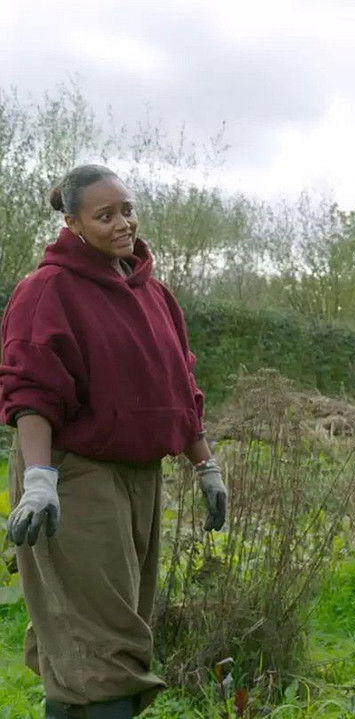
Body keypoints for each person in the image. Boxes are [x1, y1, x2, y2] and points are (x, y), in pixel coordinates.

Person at [0, 164, 226, 719]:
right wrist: (38, 480)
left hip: (140, 475)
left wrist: (206, 466)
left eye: (127, 209)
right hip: (71, 473)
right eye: (105, 215)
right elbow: (31, 390)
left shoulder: (155, 296)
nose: (123, 223)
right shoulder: (47, 290)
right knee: (102, 643)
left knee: (112, 634)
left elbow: (181, 387)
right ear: (74, 223)